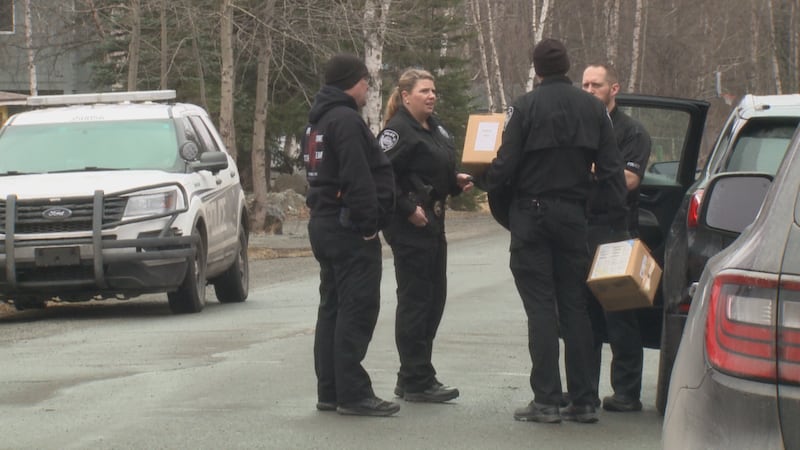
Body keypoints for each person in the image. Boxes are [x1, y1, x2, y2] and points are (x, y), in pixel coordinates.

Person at [483, 38, 627, 424]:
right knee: (575, 307)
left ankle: (546, 399)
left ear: (538, 69)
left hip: (532, 215)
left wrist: (488, 188)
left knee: (541, 309)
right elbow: (612, 171)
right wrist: (607, 216)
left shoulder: (524, 106)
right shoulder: (594, 109)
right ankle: (583, 400)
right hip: (573, 218)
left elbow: (505, 163)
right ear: (567, 67)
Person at [301, 53, 399, 417]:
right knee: (356, 310)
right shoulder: (345, 121)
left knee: (332, 307)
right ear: (352, 82)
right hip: (348, 228)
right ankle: (353, 393)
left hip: (323, 222)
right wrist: (369, 224)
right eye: (365, 82)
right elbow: (358, 178)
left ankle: (330, 388)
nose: (367, 89)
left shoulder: (317, 122)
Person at [377, 68, 474, 403]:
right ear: (406, 96)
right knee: (416, 301)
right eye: (424, 91)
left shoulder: (435, 127)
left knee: (434, 300)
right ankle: (416, 377)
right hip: (409, 226)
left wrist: (455, 181)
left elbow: (437, 168)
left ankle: (414, 373)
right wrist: (406, 208)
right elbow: (383, 176)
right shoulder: (397, 131)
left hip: (434, 221)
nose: (432, 96)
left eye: (434, 91)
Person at [581, 63, 652, 412]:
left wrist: (592, 171)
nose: (590, 89)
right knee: (584, 316)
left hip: (616, 231)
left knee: (620, 315)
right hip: (581, 229)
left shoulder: (631, 132)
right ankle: (584, 391)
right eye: (585, 84)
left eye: (596, 84)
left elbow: (629, 180)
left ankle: (626, 393)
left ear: (614, 89)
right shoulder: (578, 128)